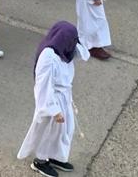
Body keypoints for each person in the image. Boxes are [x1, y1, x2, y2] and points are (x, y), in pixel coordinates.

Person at [17, 21, 89, 177]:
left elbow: (82, 53)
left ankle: (56, 156)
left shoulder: (63, 51)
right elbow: (42, 86)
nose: (74, 44)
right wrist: (53, 110)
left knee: (65, 130)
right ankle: (40, 161)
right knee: (49, 131)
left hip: (64, 97)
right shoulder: (49, 57)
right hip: (53, 100)